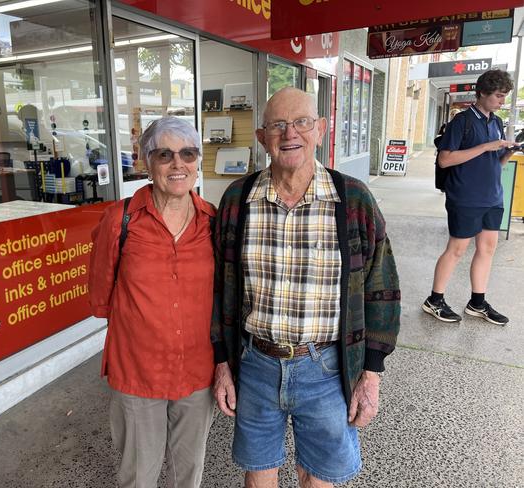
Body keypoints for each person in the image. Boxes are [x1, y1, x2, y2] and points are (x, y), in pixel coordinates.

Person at [211, 87, 401, 487]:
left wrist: (371, 374)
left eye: (301, 122)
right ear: (262, 138)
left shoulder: (353, 201)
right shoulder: (237, 201)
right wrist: (222, 362)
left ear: (321, 129)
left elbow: (381, 290)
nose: (289, 133)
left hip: (327, 368)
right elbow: (219, 291)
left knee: (317, 477)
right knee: (258, 471)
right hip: (256, 364)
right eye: (277, 124)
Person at [88, 117, 216, 488]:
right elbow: (101, 294)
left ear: (197, 162)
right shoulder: (120, 220)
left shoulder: (213, 221)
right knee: (138, 476)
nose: (178, 164)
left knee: (188, 473)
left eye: (187, 153)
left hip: (196, 372)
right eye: (165, 154)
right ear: (146, 162)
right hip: (138, 372)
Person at [422, 69, 520, 325]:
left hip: (492, 195)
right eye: (498, 96)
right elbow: (445, 160)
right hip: (465, 195)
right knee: (457, 249)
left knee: (488, 248)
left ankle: (477, 302)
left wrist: (507, 151)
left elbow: (494, 164)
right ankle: (434, 300)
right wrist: (487, 146)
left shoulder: (496, 122)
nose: (502, 101)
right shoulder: (462, 121)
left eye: (504, 96)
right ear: (482, 93)